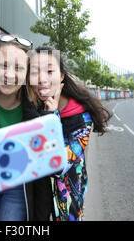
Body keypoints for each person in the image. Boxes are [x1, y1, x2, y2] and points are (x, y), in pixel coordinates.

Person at [28, 46, 112, 221]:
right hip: (36, 196)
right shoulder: (31, 106)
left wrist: (51, 116)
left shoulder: (81, 116)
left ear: (62, 76)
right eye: (35, 72)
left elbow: (58, 163)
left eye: (50, 71)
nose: (42, 79)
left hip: (67, 198)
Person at [0, 35, 52, 221]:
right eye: (3, 65)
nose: (9, 75)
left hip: (17, 183)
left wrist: (51, 116)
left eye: (18, 68)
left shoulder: (35, 110)